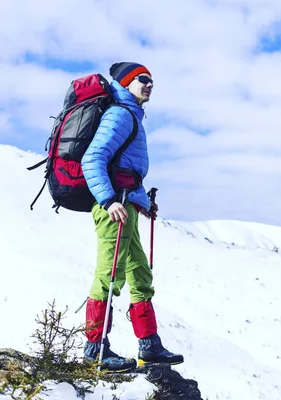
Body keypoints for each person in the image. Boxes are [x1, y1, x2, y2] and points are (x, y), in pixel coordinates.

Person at [80, 62, 183, 371]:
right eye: (143, 79)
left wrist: (142, 202)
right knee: (109, 278)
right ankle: (94, 349)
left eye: (152, 80)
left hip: (128, 207)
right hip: (114, 209)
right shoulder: (120, 115)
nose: (150, 84)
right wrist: (108, 199)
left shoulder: (132, 115)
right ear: (127, 83)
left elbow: (126, 171)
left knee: (140, 274)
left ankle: (149, 345)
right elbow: (92, 159)